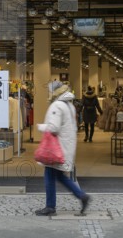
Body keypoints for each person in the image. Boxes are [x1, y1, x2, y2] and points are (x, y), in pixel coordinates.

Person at [35, 81, 90, 216]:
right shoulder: (69, 105)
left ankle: (50, 206)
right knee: (58, 175)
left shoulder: (57, 105)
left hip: (56, 148)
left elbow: (53, 127)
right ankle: (81, 196)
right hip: (65, 145)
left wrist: (40, 127)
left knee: (50, 175)